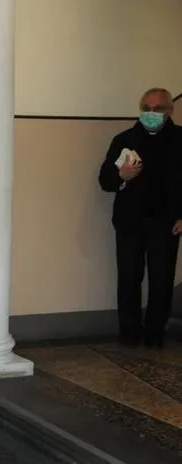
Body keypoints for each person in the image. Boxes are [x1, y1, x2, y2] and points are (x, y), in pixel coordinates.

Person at [98, 88, 182, 348]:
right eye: (146, 107)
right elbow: (105, 181)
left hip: (166, 223)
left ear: (169, 111)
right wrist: (121, 176)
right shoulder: (125, 139)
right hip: (129, 222)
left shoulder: (180, 139)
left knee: (161, 280)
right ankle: (129, 334)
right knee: (128, 278)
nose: (150, 114)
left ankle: (155, 334)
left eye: (156, 109)